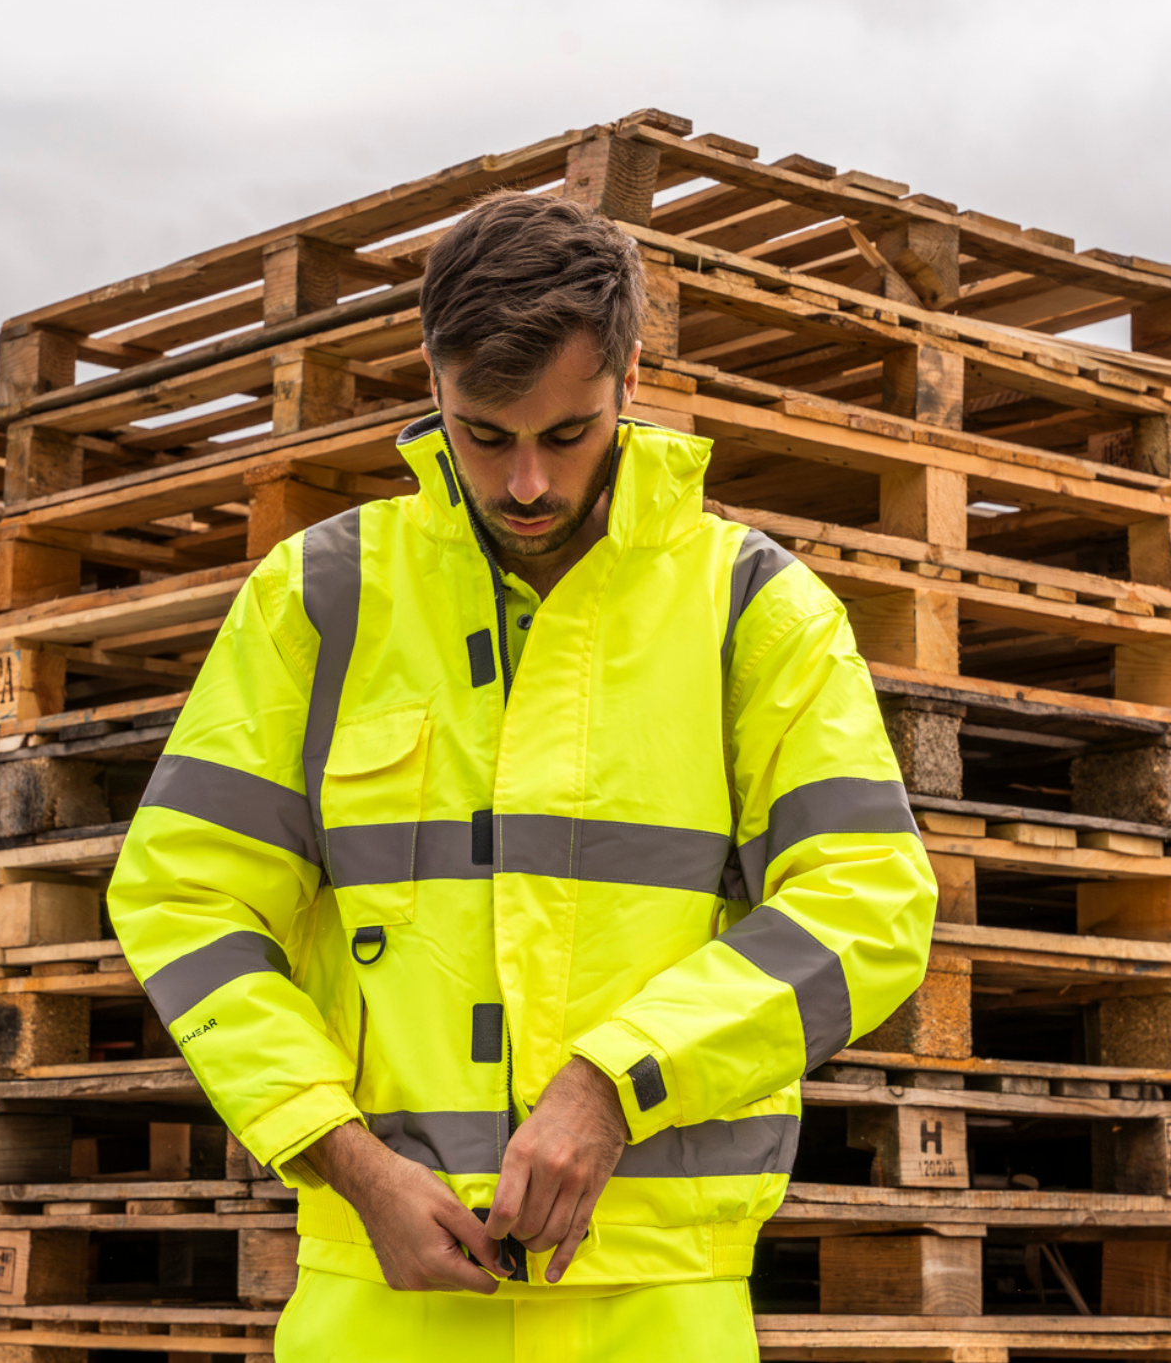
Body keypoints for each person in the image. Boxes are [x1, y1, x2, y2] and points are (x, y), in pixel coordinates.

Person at [107, 191, 937, 1361]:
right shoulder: (319, 599)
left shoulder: (753, 608)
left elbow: (870, 908)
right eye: (484, 434)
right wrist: (341, 1158)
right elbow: (181, 895)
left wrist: (615, 1083)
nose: (528, 484)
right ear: (432, 383)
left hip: (656, 1294)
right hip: (378, 1288)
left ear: (631, 379)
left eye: (567, 432)